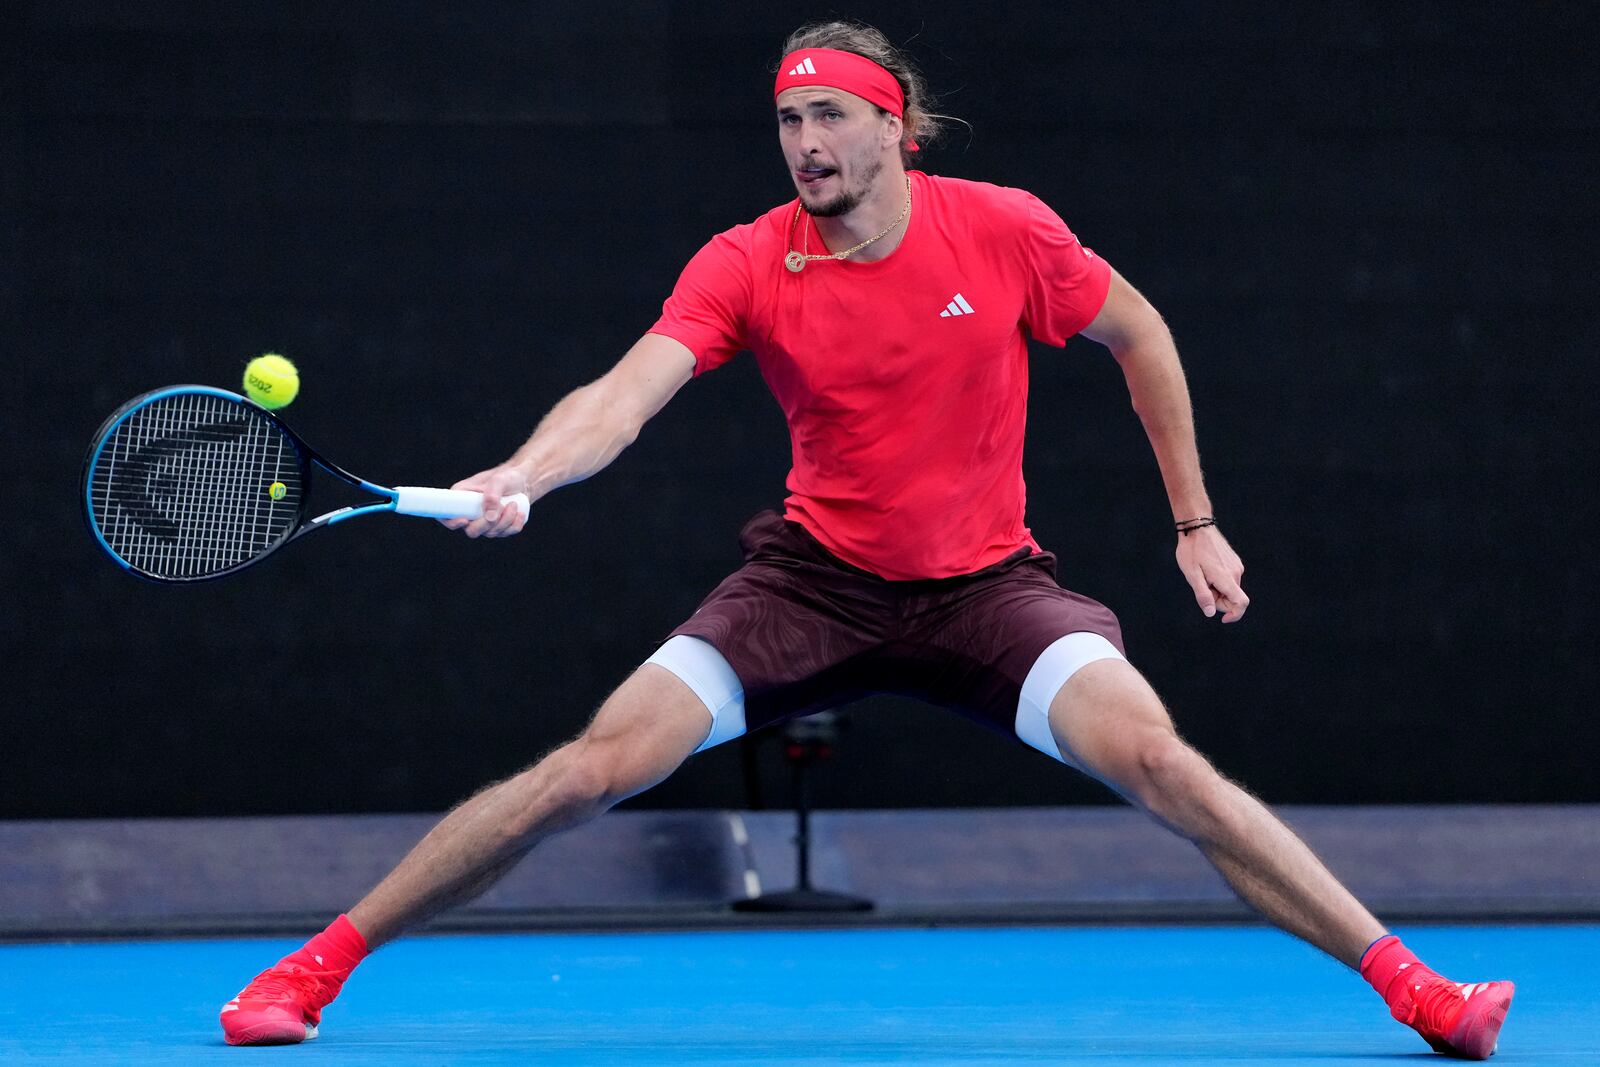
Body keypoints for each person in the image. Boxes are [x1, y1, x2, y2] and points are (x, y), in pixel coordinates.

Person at [219, 21, 1513, 1058]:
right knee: (584, 772)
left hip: (986, 592)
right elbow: (624, 392)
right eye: (787, 118)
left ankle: (1419, 994)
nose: (804, 141)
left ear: (892, 124)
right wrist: (527, 475)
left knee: (1164, 764)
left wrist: (1195, 522)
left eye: (828, 113)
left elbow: (1144, 335)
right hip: (812, 586)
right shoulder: (746, 259)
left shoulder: (1004, 229)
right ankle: (312, 968)